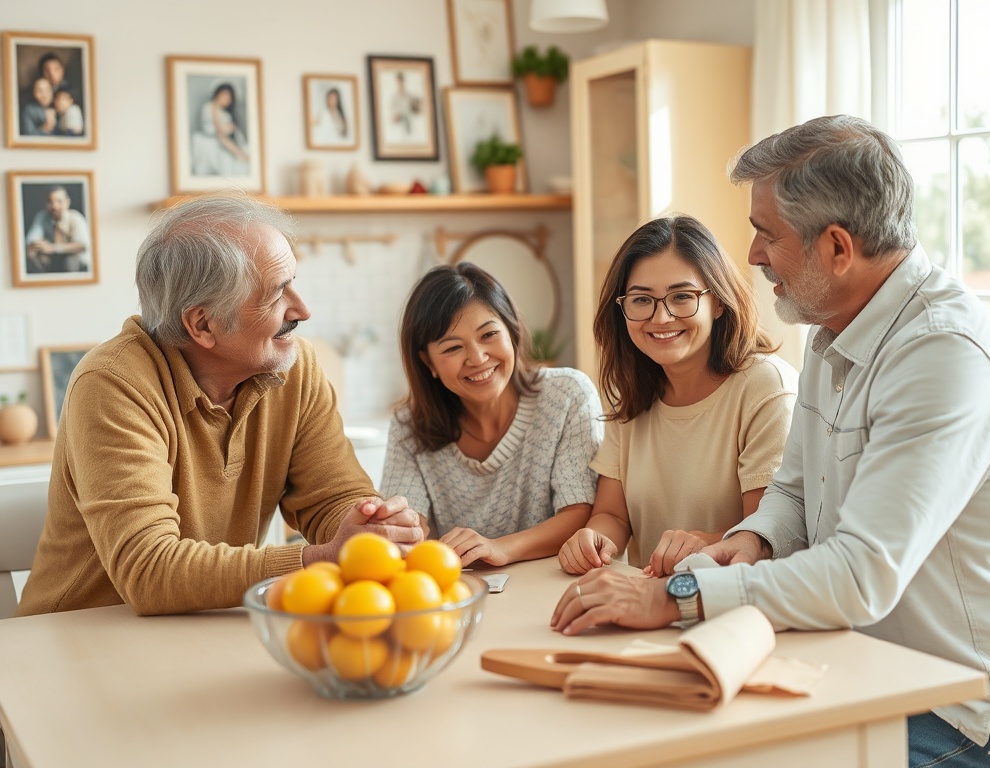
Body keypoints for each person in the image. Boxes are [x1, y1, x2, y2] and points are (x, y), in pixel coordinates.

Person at [550, 115, 990, 765]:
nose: (750, 257)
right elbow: (794, 492)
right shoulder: (833, 332)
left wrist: (673, 597)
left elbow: (860, 573)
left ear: (835, 247)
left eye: (765, 235)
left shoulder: (944, 355)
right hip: (862, 664)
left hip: (960, 715)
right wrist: (751, 540)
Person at [17, 194, 423, 617]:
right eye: (277, 293)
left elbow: (332, 496)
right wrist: (316, 560)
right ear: (203, 324)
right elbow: (149, 570)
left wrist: (367, 527)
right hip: (75, 636)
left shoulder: (295, 367)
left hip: (201, 625)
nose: (303, 309)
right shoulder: (112, 385)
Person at [557, 215, 798, 578]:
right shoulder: (632, 390)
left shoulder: (764, 386)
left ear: (718, 302)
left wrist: (703, 544)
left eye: (682, 297)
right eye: (641, 300)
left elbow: (765, 535)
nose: (661, 317)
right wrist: (594, 538)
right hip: (646, 601)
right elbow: (613, 515)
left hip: (732, 603)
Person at [380, 262, 603, 567]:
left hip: (554, 585)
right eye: (452, 348)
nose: (477, 358)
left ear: (511, 330)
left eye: (488, 335)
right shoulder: (410, 425)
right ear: (427, 362)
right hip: (462, 594)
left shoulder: (567, 395)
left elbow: (579, 513)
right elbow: (406, 526)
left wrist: (500, 548)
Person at [25, 185, 90, 274]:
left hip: (73, 260)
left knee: (70, 261)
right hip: (51, 259)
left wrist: (54, 248)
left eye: (59, 201)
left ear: (67, 202)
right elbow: (32, 240)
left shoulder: (76, 218)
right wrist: (38, 244)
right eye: (50, 202)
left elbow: (83, 245)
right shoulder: (42, 217)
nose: (54, 206)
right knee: (33, 257)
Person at [191, 82, 250, 176]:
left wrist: (230, 129)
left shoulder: (226, 114)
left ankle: (241, 154)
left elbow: (227, 132)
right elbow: (220, 131)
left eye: (229, 97)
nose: (226, 99)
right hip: (212, 140)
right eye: (224, 95)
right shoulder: (209, 107)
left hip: (223, 140)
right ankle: (240, 154)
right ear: (217, 95)